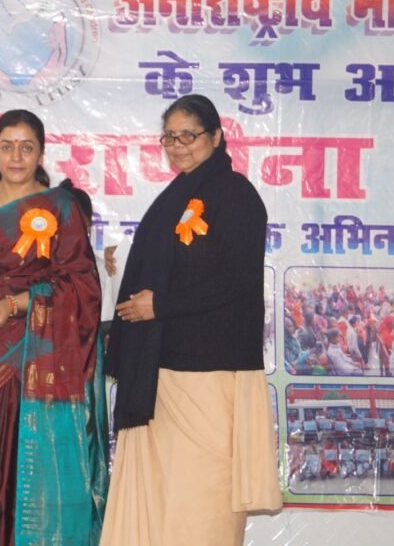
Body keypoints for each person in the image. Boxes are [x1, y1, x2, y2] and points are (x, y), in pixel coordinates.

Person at [101, 94, 282, 546]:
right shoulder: (175, 197)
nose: (178, 146)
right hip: (161, 370)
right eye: (170, 137)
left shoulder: (236, 195)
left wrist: (159, 305)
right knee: (164, 498)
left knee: (204, 497)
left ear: (216, 137)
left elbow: (237, 281)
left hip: (211, 372)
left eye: (189, 136)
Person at [0, 109, 108, 545]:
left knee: (32, 469)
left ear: (41, 153)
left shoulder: (62, 207)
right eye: (7, 146)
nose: (16, 156)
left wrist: (18, 304)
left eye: (26, 147)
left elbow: (83, 285)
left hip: (39, 356)